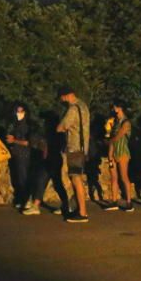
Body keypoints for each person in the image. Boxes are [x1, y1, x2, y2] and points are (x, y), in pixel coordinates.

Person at [56, 86, 91, 223]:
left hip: (74, 147)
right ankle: (80, 209)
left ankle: (82, 212)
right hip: (83, 147)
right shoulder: (83, 106)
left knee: (76, 179)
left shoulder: (72, 109)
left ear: (66, 96)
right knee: (78, 178)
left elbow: (62, 126)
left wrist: (59, 128)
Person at [5, 103, 34, 211]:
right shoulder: (14, 124)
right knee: (17, 178)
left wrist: (15, 141)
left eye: (21, 111)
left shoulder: (28, 125)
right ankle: (22, 199)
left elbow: (29, 142)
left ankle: (27, 199)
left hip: (25, 154)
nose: (19, 113)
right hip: (16, 154)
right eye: (17, 111)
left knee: (24, 177)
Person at [106, 101, 134, 212]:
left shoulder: (126, 122)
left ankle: (128, 201)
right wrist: (110, 152)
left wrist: (108, 141)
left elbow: (117, 137)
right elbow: (113, 138)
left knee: (124, 177)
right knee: (113, 177)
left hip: (122, 152)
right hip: (114, 152)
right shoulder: (116, 122)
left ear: (119, 108)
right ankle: (114, 200)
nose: (113, 109)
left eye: (115, 107)